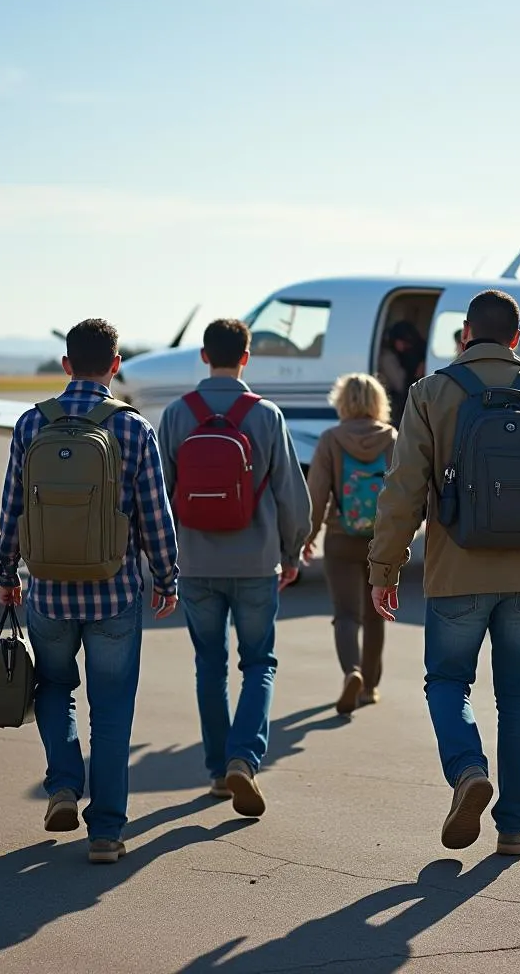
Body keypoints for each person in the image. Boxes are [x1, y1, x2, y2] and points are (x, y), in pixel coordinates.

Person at [367, 289, 520, 855]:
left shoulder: (430, 394)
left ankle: (469, 770)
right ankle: (516, 826)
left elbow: (402, 492)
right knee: (518, 695)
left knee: (449, 683)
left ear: (467, 333)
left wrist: (385, 567)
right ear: (518, 339)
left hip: (457, 574)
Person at [0, 318, 179, 864]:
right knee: (113, 708)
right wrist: (166, 578)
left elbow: (13, 511)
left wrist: (8, 574)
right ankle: (106, 833)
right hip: (114, 592)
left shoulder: (31, 424)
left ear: (65, 364)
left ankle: (64, 785)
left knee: (53, 688)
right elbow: (155, 518)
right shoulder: (134, 429)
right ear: (116, 366)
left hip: (48, 590)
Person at [157, 318, 311, 818]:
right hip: (256, 561)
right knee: (259, 664)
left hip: (196, 563)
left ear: (203, 356)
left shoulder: (178, 415)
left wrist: (159, 564)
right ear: (247, 357)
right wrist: (292, 553)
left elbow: (157, 497)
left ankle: (218, 771)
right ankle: (245, 756)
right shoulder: (266, 416)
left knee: (209, 665)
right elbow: (292, 495)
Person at [302, 373, 396, 715]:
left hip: (341, 538)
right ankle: (369, 687)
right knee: (376, 616)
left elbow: (317, 494)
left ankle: (350, 672)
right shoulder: (391, 439)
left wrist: (308, 538)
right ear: (377, 403)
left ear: (342, 401)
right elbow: (404, 494)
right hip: (381, 543)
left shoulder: (330, 439)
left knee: (345, 615)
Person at [378, 320, 427, 426]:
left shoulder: (414, 352)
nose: (405, 346)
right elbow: (400, 384)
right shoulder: (388, 357)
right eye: (403, 342)